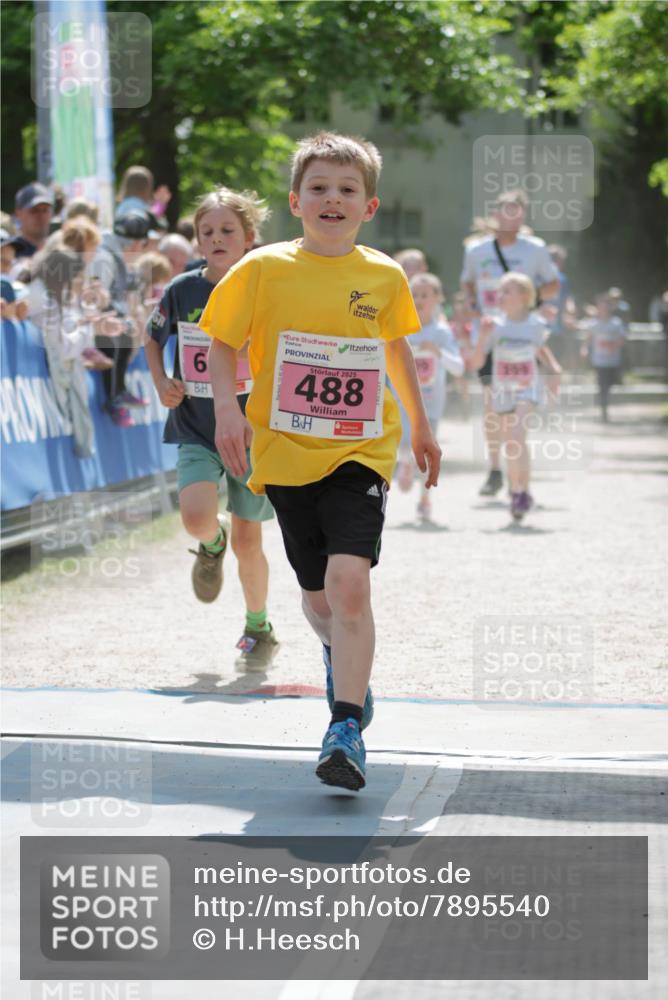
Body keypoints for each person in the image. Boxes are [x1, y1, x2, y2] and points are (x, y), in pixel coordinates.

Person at [200, 131, 441, 791]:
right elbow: (222, 345)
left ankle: (344, 726)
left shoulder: (383, 275)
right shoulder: (262, 269)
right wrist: (226, 409)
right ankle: (344, 662)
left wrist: (421, 426)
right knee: (316, 596)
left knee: (350, 584)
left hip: (362, 451)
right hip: (284, 455)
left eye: (347, 189)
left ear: (369, 207)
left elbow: (397, 354)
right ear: (295, 201)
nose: (332, 198)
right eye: (319, 188)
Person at [145, 188, 279, 668]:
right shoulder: (183, 289)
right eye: (208, 232)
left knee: (251, 541)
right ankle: (210, 542)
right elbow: (151, 336)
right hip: (196, 424)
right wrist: (162, 380)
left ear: (249, 238)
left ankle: (258, 625)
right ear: (197, 239)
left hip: (250, 431)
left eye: (228, 231)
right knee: (197, 517)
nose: (217, 239)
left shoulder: (265, 285)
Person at [460, 190, 560, 497]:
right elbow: (467, 285)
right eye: (505, 210)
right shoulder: (476, 251)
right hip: (490, 333)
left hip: (521, 332)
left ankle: (517, 461)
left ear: (524, 215)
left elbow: (553, 284)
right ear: (495, 214)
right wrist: (470, 309)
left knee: (518, 404)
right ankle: (495, 468)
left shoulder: (535, 249)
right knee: (493, 404)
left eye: (517, 210)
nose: (511, 215)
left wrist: (529, 305)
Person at [469, 272, 562, 521]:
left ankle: (519, 492)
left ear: (524, 296)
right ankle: (521, 489)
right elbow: (477, 362)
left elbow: (542, 353)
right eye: (499, 291)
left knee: (516, 435)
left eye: (506, 291)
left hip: (527, 389)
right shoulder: (493, 325)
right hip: (503, 391)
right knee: (513, 443)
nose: (499, 296)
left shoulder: (536, 325)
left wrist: (555, 373)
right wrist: (482, 337)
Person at [396, 272, 464, 519]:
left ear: (438, 298)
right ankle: (404, 463)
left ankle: (424, 499)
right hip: (402, 401)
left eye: (425, 294)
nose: (419, 299)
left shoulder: (442, 333)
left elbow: (459, 367)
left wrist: (438, 353)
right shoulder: (401, 328)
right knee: (404, 442)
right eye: (414, 294)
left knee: (427, 451)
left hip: (432, 404)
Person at [580, 293, 626, 422]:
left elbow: (622, 339)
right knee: (602, 385)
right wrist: (584, 349)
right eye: (601, 307)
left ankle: (605, 404)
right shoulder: (593, 324)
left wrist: (613, 345)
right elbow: (588, 338)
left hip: (612, 360)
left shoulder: (616, 323)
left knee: (610, 384)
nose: (603, 310)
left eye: (605, 307)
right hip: (599, 360)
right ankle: (603, 411)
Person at [10, 182, 54, 276]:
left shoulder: (59, 248)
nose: (40, 216)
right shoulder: (9, 252)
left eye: (45, 210)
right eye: (34, 211)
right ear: (19, 213)